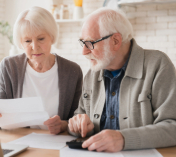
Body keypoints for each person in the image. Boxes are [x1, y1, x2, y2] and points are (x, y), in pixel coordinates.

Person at [68, 7, 176, 152]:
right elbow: (78, 119)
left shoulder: (158, 65)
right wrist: (77, 125)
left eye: (90, 43)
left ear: (115, 41)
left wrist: (124, 139)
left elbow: (172, 127)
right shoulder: (92, 74)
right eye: (83, 43)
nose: (84, 51)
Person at [0, 6, 83, 135]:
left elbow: (79, 118)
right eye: (28, 41)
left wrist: (63, 125)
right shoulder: (8, 67)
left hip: (57, 142)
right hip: (19, 141)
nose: (35, 47)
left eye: (41, 39)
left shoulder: (72, 71)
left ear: (51, 37)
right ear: (21, 43)